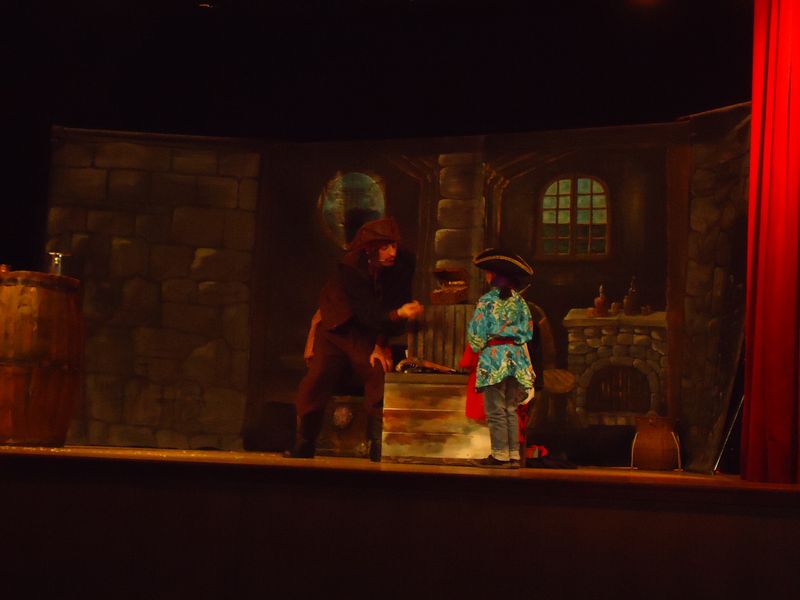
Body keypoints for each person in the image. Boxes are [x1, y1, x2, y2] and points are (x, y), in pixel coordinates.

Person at [285, 217, 424, 460]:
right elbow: (367, 311)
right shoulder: (351, 266)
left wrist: (380, 344)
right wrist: (397, 314)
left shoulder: (403, 262)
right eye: (384, 247)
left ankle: (378, 446)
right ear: (369, 249)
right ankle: (305, 441)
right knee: (317, 379)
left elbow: (394, 301)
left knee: (377, 372)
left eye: (393, 245)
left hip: (367, 329)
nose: (392, 252)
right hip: (337, 326)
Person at [466, 248, 536, 469]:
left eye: (489, 273)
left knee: (495, 409)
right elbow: (527, 332)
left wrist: (482, 345)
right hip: (516, 359)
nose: (487, 276)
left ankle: (499, 455)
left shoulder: (487, 301)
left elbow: (476, 334)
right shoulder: (520, 302)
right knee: (510, 409)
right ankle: (513, 455)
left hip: (494, 358)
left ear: (496, 276)